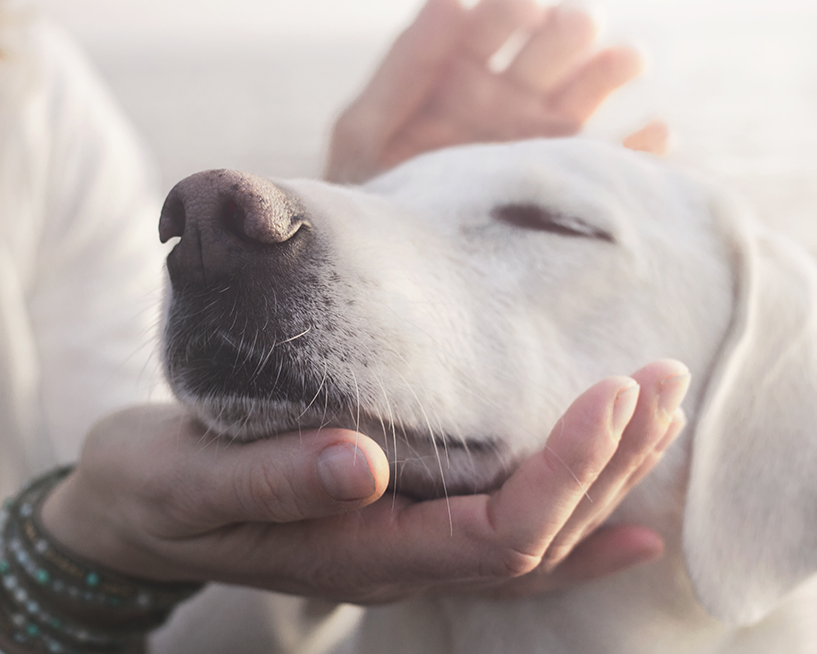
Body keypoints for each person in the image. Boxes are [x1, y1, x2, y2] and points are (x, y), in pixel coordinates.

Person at [0, 0, 680, 653]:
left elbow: (167, 575)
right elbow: (110, 503)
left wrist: (369, 235)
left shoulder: (31, 78)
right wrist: (71, 545)